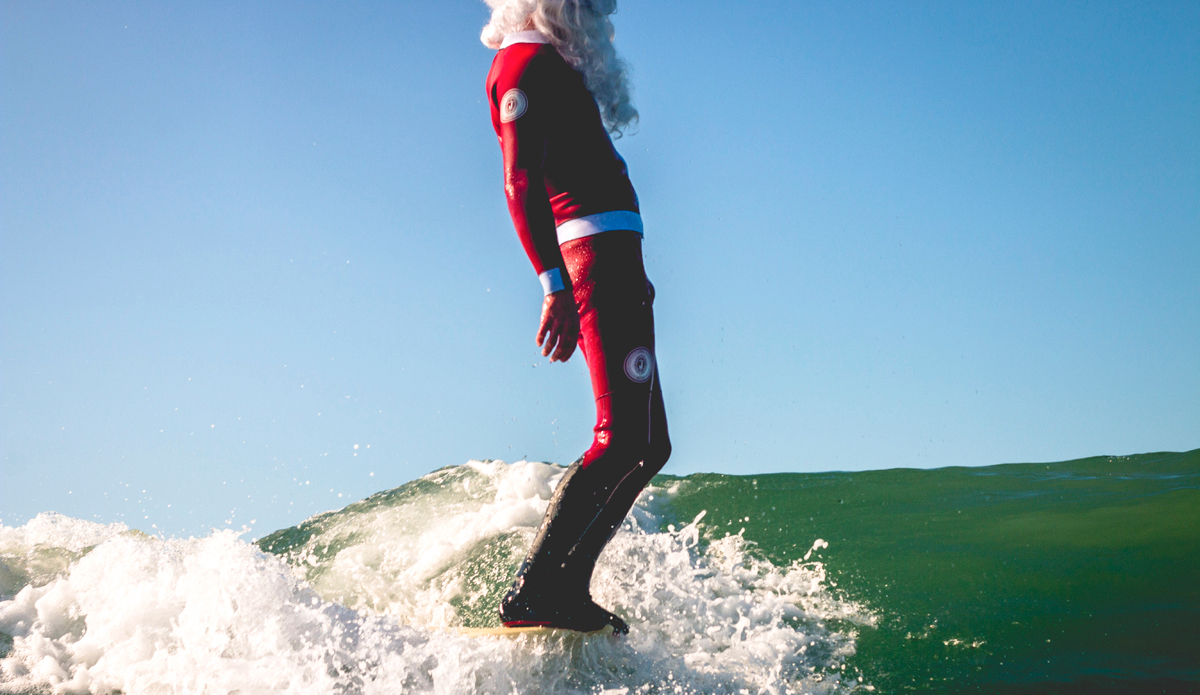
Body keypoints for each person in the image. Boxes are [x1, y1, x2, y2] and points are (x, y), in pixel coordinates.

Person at [481, 0, 670, 634]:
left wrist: (630, 268)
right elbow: (519, 183)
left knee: (650, 446)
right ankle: (536, 592)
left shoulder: (550, 62)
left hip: (615, 258)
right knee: (621, 438)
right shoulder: (524, 61)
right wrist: (553, 286)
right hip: (590, 258)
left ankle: (565, 586)